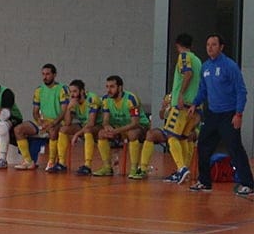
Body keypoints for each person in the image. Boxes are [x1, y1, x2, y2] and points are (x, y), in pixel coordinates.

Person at [188, 34, 254, 194]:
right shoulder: (205, 67)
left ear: (221, 47)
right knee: (203, 145)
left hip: (228, 114)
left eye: (214, 44)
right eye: (208, 45)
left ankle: (248, 184)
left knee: (234, 147)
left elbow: (241, 90)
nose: (210, 47)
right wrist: (195, 103)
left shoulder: (229, 66)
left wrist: (238, 114)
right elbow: (203, 89)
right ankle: (204, 181)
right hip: (212, 114)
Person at [137, 33, 202, 182]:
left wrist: (180, 94)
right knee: (184, 138)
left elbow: (188, 74)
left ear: (177, 45)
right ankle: (184, 170)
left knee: (171, 136)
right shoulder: (198, 60)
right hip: (194, 106)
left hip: (182, 105)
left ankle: (181, 168)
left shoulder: (184, 57)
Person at [13, 64, 69, 171]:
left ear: (54, 75)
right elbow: (35, 112)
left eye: (48, 74)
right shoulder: (39, 90)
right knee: (18, 129)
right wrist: (40, 121)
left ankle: (51, 162)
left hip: (57, 122)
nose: (45, 77)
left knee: (52, 131)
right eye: (43, 74)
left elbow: (64, 111)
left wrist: (53, 123)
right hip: (42, 122)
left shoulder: (62, 89)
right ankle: (28, 161)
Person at [92, 75, 149, 177]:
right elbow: (105, 120)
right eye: (107, 87)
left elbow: (135, 123)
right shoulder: (105, 99)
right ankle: (107, 167)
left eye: (112, 87)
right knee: (101, 133)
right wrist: (107, 126)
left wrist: (116, 131)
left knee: (132, 134)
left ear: (120, 87)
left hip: (139, 127)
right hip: (119, 128)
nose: (109, 90)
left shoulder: (131, 99)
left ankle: (134, 169)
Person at [62, 79, 102, 175]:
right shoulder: (73, 101)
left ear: (82, 91)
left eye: (75, 91)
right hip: (84, 125)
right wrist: (68, 108)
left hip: (98, 125)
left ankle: (87, 165)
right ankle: (61, 163)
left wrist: (77, 134)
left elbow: (91, 123)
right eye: (70, 92)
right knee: (63, 129)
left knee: (87, 130)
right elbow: (67, 123)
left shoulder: (92, 99)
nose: (72, 94)